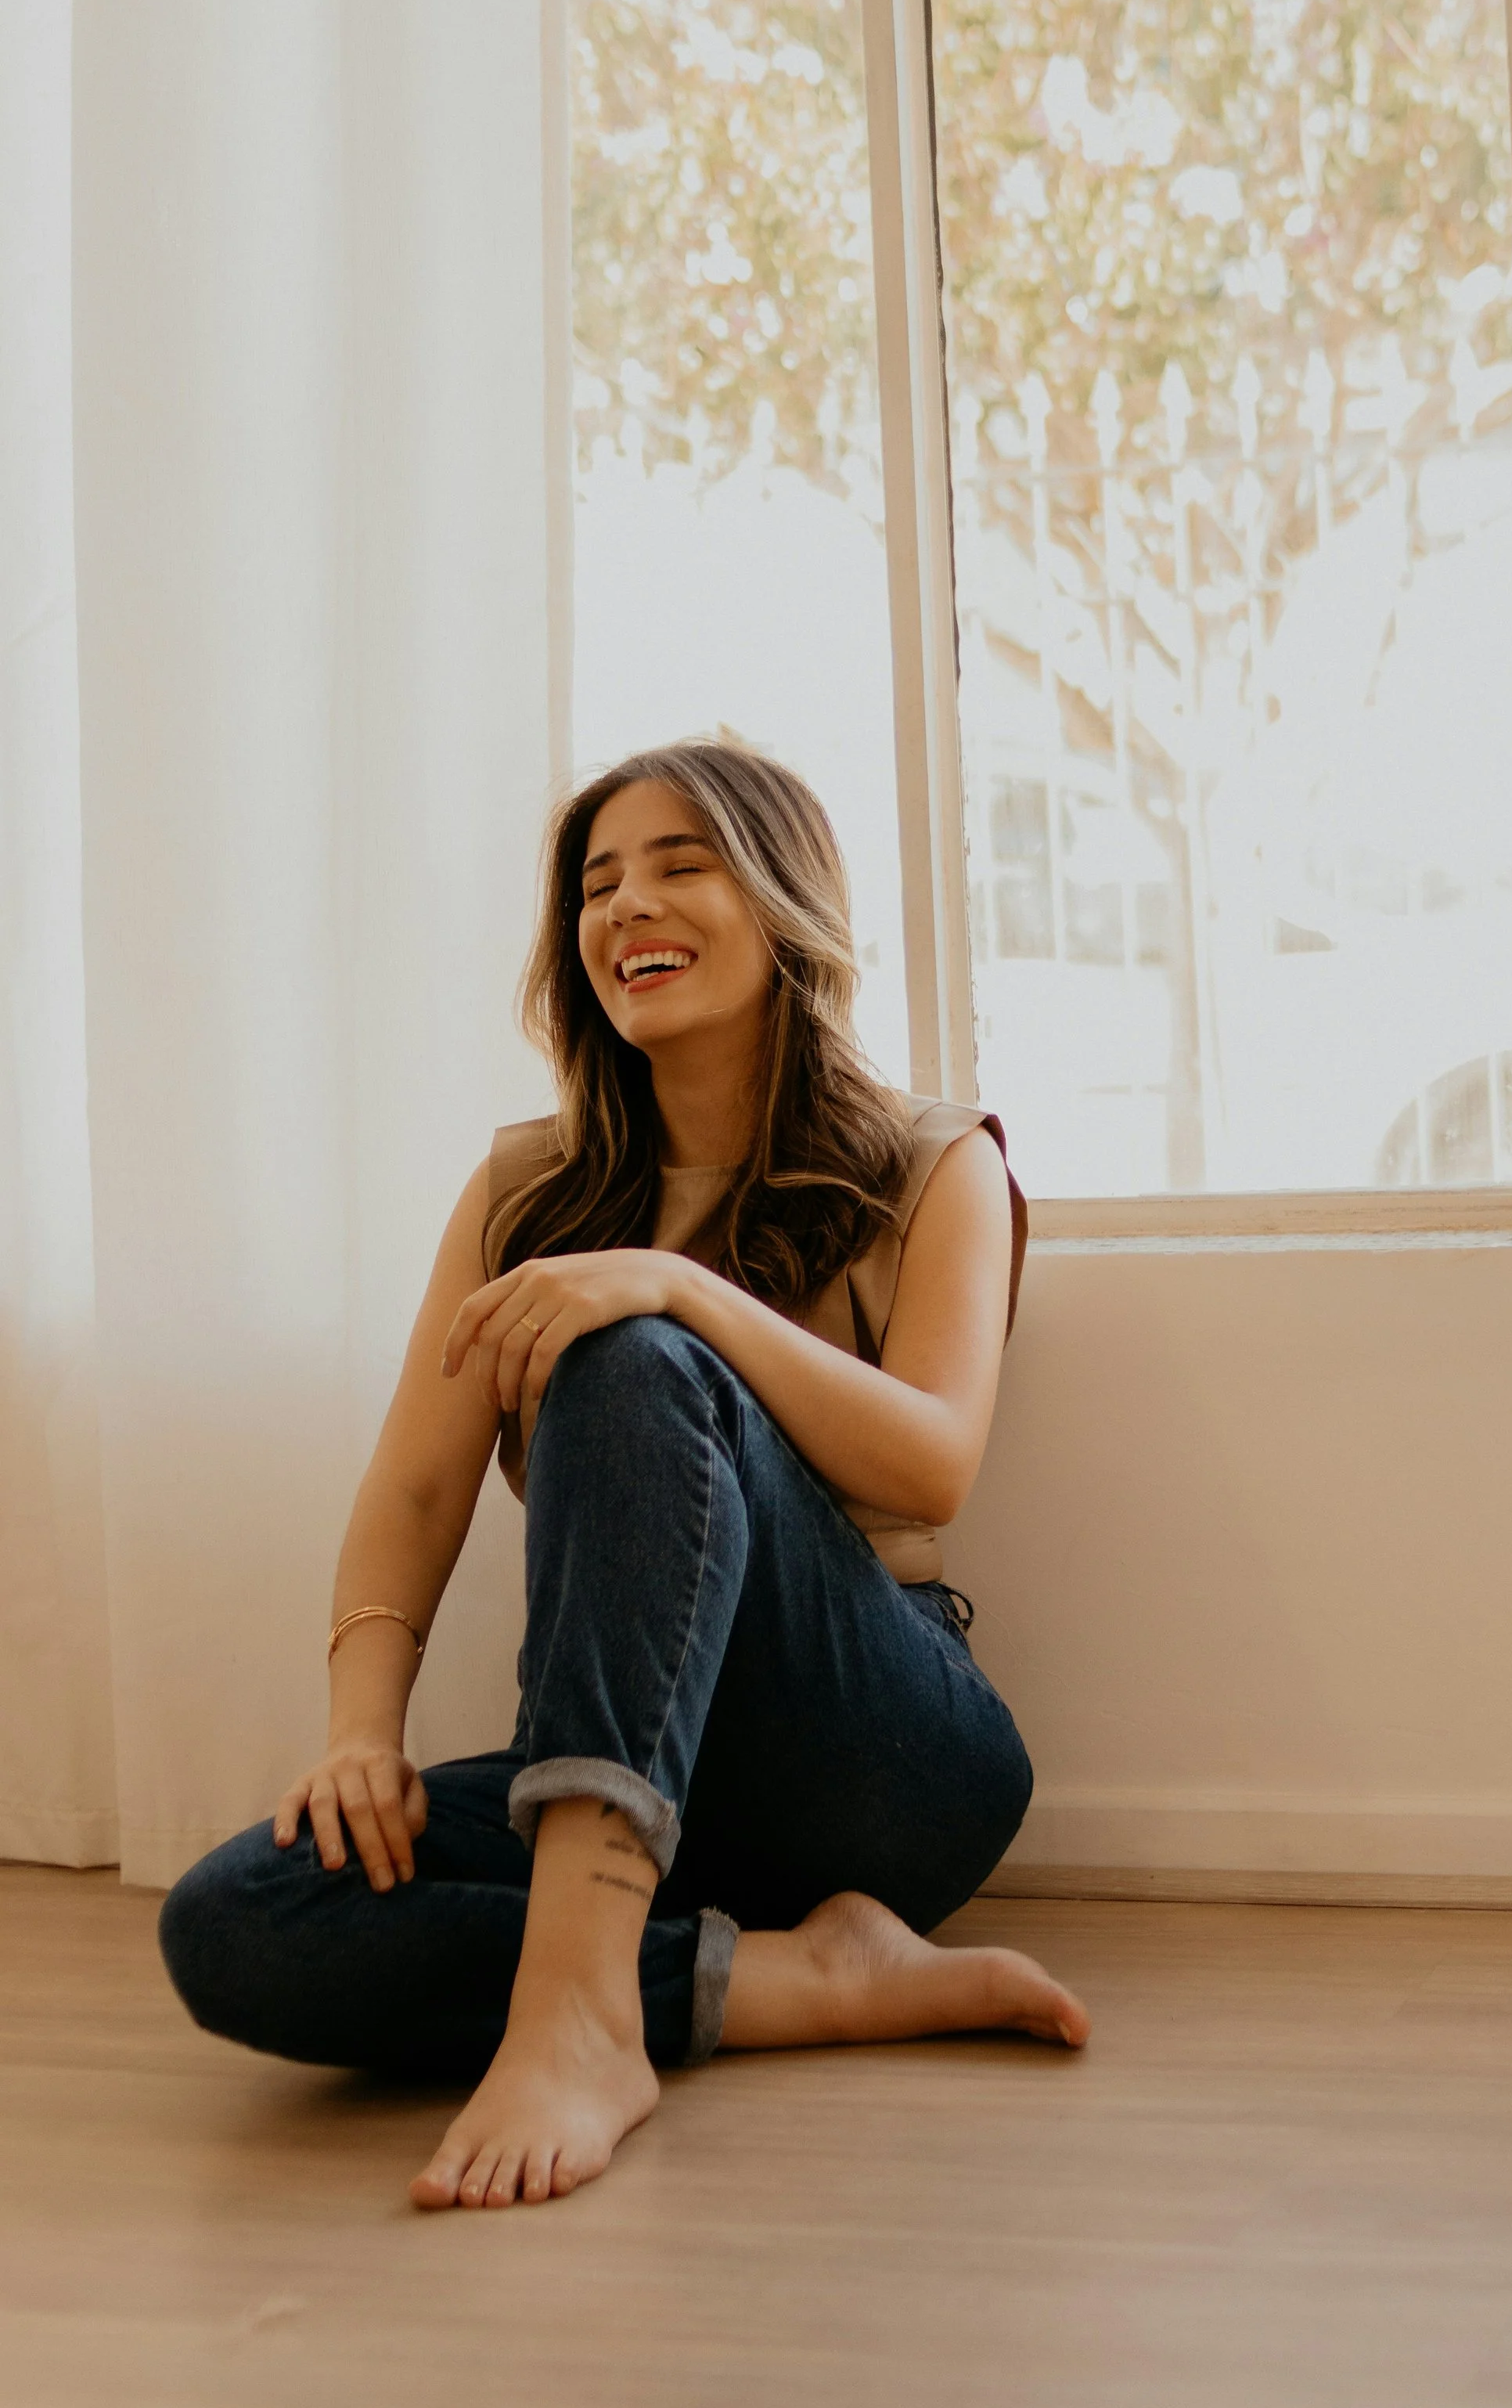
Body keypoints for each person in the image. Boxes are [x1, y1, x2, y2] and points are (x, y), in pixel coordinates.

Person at [160, 740, 1088, 2210]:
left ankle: (586, 2014)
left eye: (678, 864)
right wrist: (358, 1732)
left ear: (782, 899)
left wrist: (675, 1288)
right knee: (235, 1919)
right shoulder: (527, 1189)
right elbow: (414, 1496)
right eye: (596, 884)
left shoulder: (929, 1161)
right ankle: (799, 1978)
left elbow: (935, 1459)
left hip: (881, 1754)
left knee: (634, 1349)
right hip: (616, 1770)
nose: (626, 909)